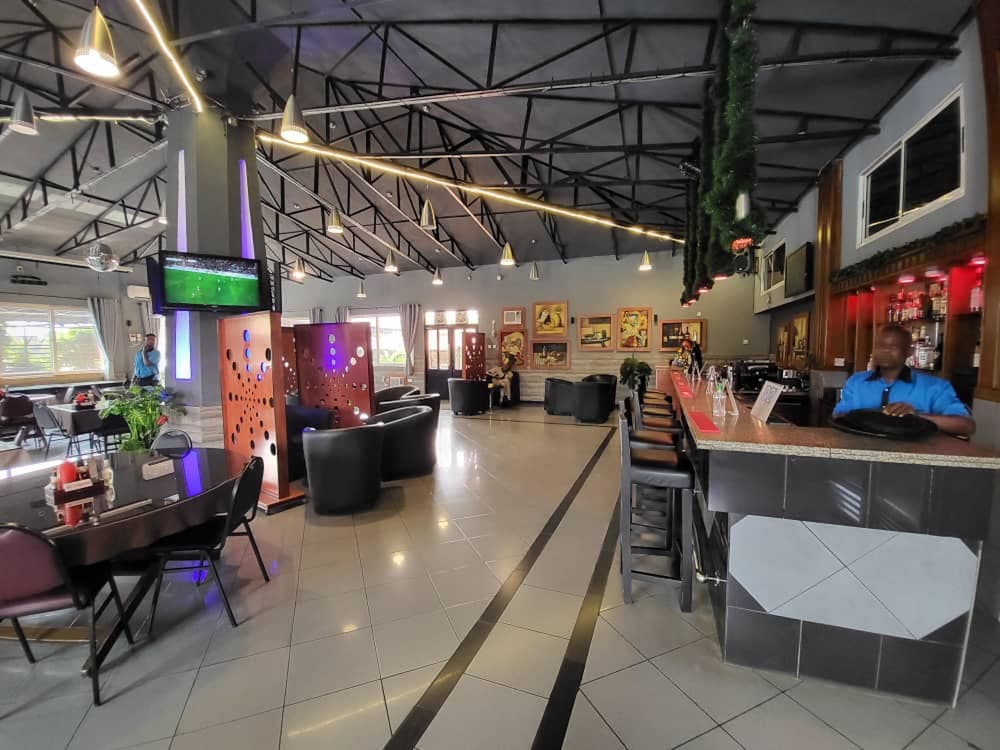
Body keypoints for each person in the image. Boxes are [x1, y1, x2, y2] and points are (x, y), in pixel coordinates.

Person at [834, 324, 975, 436]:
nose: (885, 350)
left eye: (893, 346)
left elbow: (966, 425)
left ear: (909, 352)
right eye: (880, 345)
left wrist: (916, 416)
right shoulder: (856, 382)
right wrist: (869, 416)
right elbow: (838, 415)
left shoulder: (935, 387)